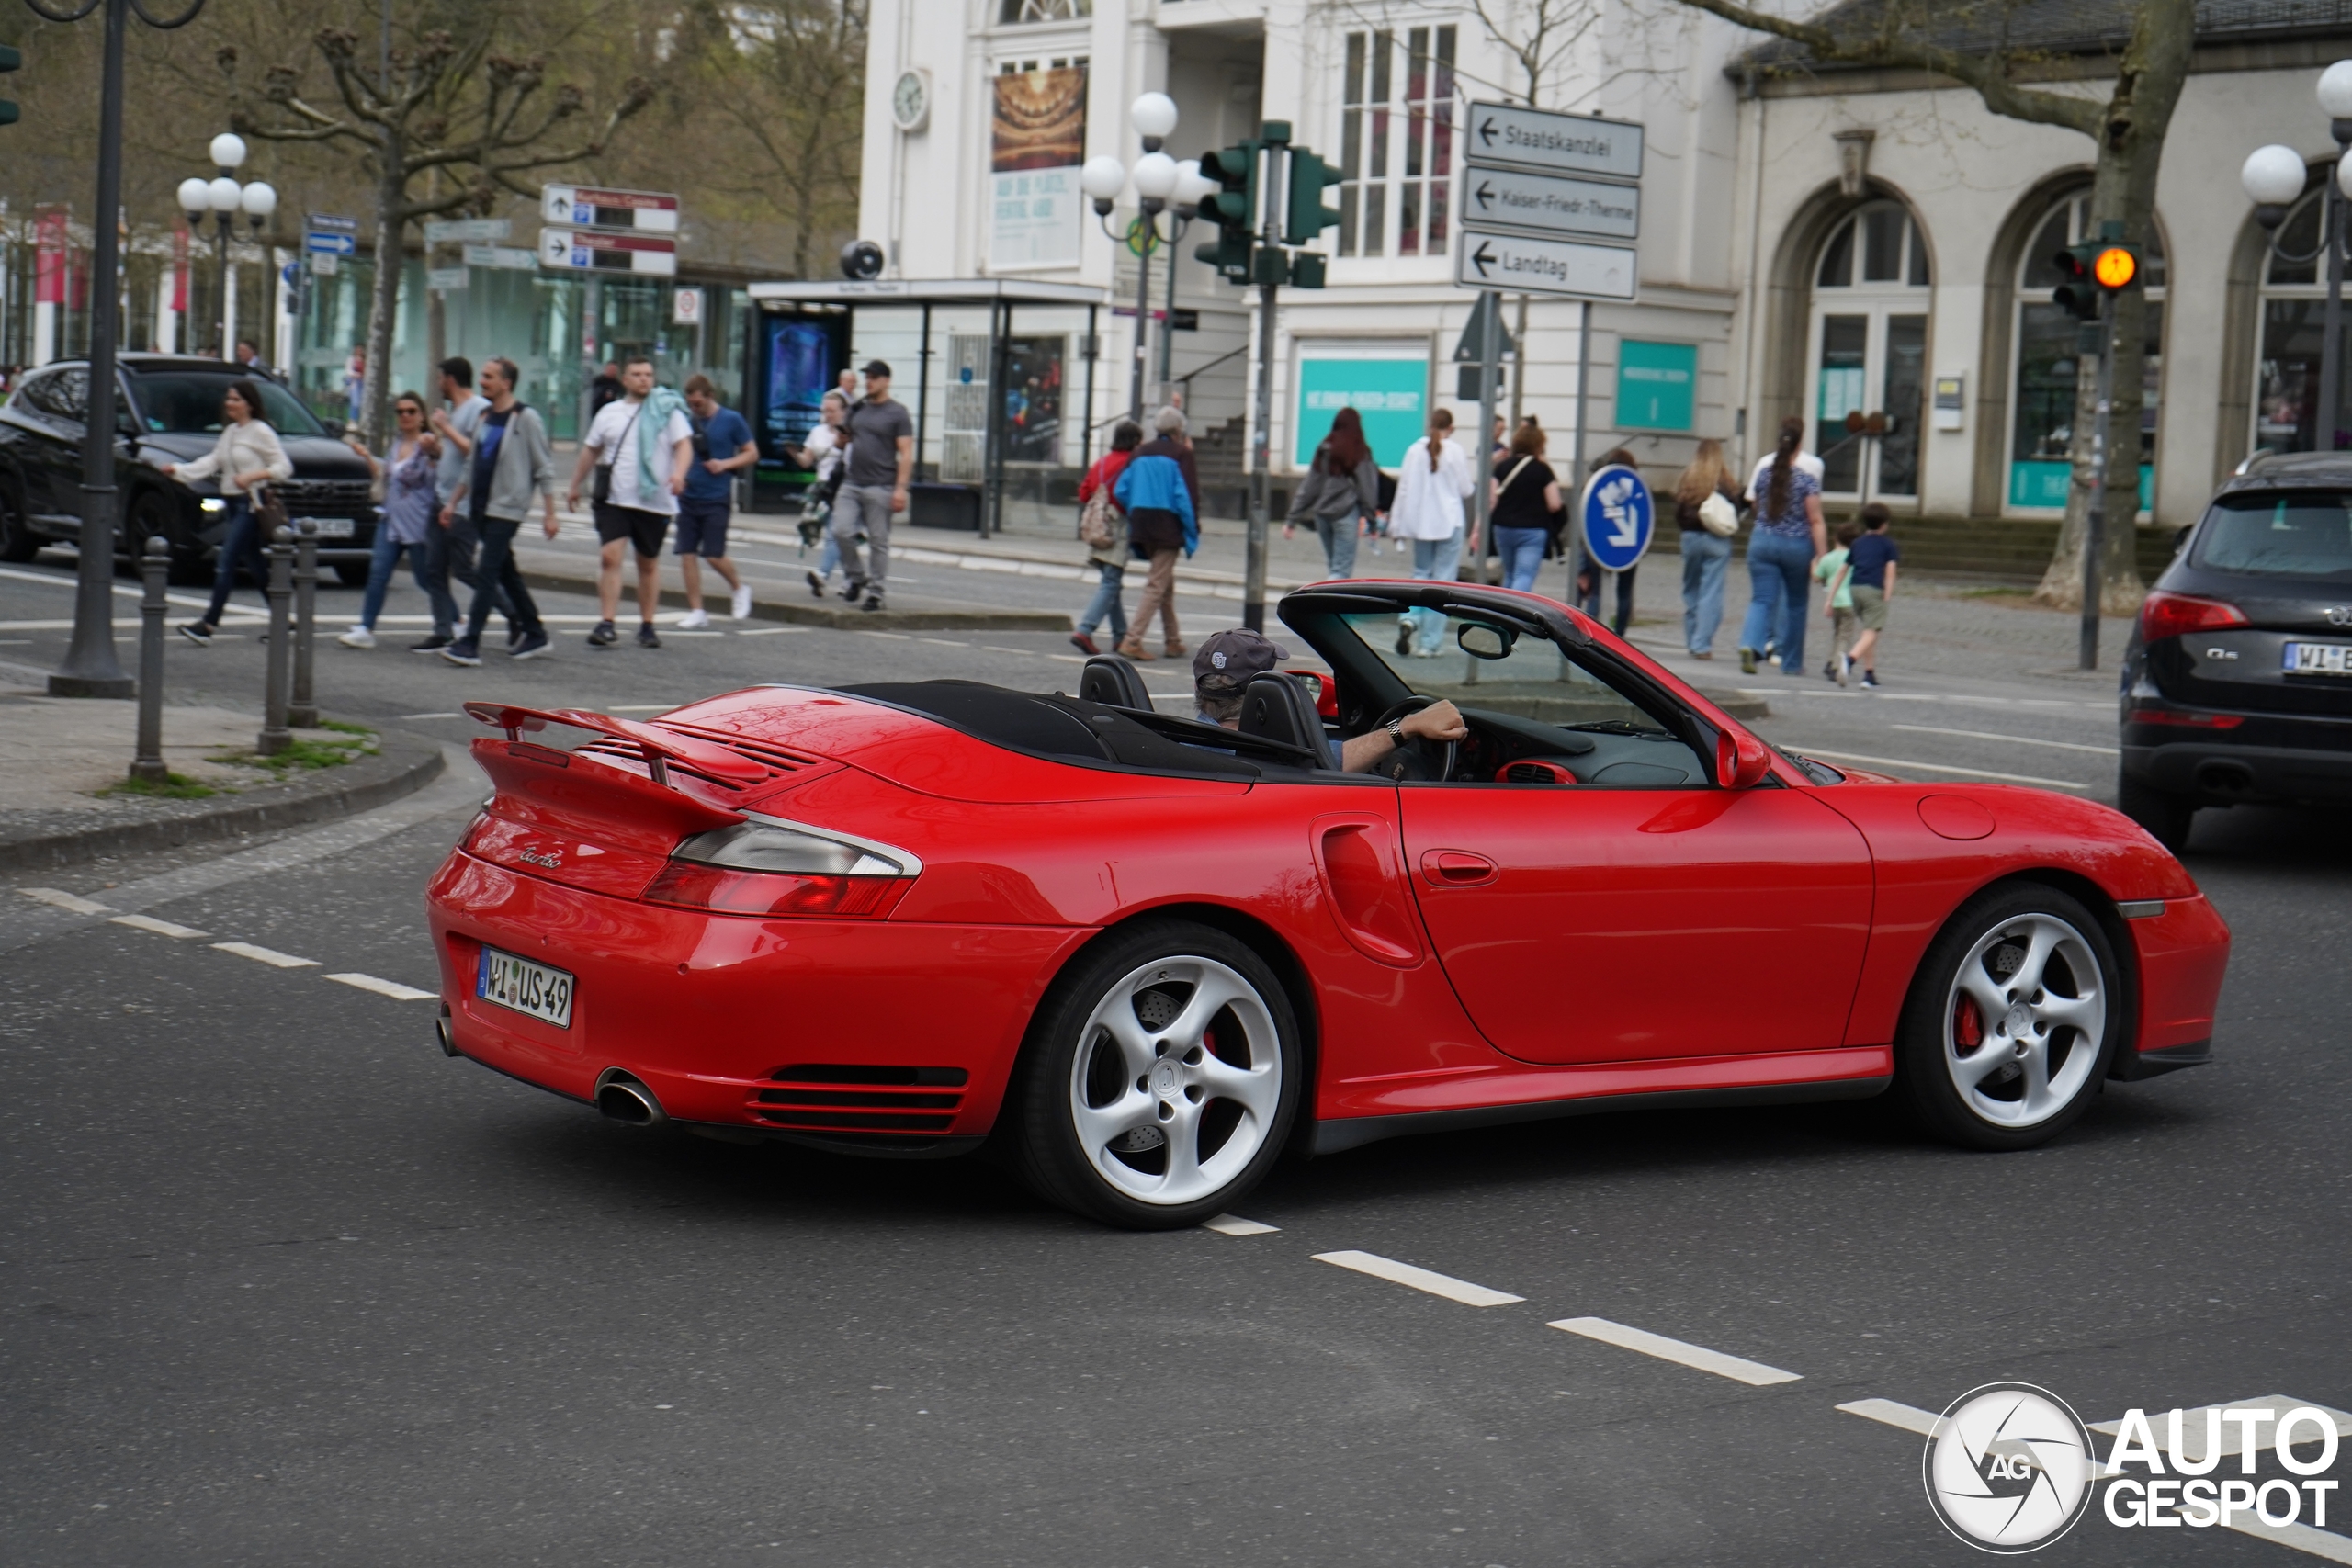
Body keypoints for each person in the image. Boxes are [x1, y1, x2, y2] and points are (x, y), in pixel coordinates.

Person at [1190, 628, 1467, 773]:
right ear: (1258, 695)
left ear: (1198, 686)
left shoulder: (1183, 743)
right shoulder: (1268, 756)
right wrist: (1408, 726)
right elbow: (1334, 761)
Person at [567, 355, 693, 649]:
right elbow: (590, 450)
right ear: (625, 380)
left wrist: (679, 474)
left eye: (648, 374)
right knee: (610, 556)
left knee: (647, 563)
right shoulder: (609, 413)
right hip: (615, 497)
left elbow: (684, 446)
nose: (643, 379)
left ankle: (647, 625)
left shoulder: (667, 411)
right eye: (636, 374)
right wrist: (575, 485)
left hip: (654, 499)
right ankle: (606, 622)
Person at [438, 356, 556, 665]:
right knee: (506, 571)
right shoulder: (485, 417)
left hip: (508, 508)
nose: (483, 381)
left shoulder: (526, 418)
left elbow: (544, 467)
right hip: (481, 507)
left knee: (487, 571)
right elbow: (470, 465)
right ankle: (534, 631)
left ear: (506, 382)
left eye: (489, 376)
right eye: (483, 375)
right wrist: (453, 503)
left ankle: (470, 642)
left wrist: (550, 512)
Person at [168, 380, 292, 645]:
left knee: (226, 561)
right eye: (228, 399)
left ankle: (209, 624)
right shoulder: (231, 433)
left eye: (235, 399)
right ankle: (283, 621)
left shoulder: (261, 431)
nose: (229, 404)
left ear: (249, 403)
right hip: (232, 504)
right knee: (256, 565)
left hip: (250, 504)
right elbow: (213, 461)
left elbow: (283, 467)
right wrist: (179, 471)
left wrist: (253, 476)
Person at [336, 391, 448, 649]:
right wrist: (365, 456)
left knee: (425, 578)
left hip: (417, 522)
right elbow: (388, 475)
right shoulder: (397, 444)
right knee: (378, 573)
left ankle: (454, 620)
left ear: (421, 416)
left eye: (411, 411)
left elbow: (436, 474)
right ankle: (366, 627)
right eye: (400, 412)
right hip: (391, 518)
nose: (405, 416)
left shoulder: (427, 444)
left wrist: (434, 452)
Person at [417, 356, 510, 653]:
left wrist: (445, 427)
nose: (438, 384)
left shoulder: (476, 409)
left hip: (464, 504)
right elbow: (456, 455)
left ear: (450, 379)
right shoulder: (458, 410)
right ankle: (443, 630)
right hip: (441, 498)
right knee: (434, 569)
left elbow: (477, 452)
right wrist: (436, 449)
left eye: (440, 378)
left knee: (464, 569)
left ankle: (515, 613)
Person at [1736, 416, 1829, 676]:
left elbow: (1755, 505)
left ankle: (1750, 644)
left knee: (1761, 599)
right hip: (1796, 545)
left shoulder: (1765, 473)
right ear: (1800, 445)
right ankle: (1791, 662)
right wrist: (1822, 555)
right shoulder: (1806, 479)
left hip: (1762, 541)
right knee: (1796, 603)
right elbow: (1815, 519)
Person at [1114, 406, 1201, 660]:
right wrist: (1192, 527)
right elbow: (1185, 496)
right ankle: (1133, 640)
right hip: (1167, 525)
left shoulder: (1139, 452)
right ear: (1178, 430)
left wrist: (1135, 508)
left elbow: (1121, 489)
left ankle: (1173, 640)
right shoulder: (1181, 454)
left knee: (1163, 582)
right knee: (1156, 585)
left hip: (1141, 521)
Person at [1386, 408, 1475, 656]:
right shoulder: (1454, 450)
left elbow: (1403, 489)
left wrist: (1396, 524)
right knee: (1443, 582)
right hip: (1449, 521)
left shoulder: (1414, 451)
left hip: (1421, 524)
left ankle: (1410, 619)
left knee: (1420, 574)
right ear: (1451, 427)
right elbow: (1466, 489)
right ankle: (1429, 643)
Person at [674, 374, 759, 626]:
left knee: (713, 554)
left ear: (710, 397)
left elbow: (752, 453)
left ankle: (739, 588)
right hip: (689, 495)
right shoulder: (688, 421)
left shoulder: (732, 420)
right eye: (690, 404)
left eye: (698, 403)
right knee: (686, 553)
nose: (694, 408)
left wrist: (725, 464)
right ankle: (697, 611)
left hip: (716, 496)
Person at [833, 358, 913, 613]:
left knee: (878, 540)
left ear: (886, 381)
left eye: (874, 377)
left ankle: (876, 592)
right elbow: (841, 442)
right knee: (841, 530)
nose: (869, 381)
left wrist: (900, 488)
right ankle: (857, 577)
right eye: (867, 377)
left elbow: (906, 452)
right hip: (852, 481)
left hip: (881, 485)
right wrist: (841, 439)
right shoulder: (857, 409)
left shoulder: (897, 413)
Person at [1070, 419, 1142, 656]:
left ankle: (1120, 635)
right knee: (1111, 582)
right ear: (1134, 441)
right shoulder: (1130, 464)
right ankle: (1085, 629)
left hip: (1097, 527)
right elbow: (1130, 496)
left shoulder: (1101, 463)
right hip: (1117, 529)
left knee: (1112, 583)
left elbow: (1083, 493)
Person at [1285, 406, 1380, 580]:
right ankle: (1326, 606)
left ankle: (1331, 603)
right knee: (1340, 571)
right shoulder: (1359, 451)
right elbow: (1367, 489)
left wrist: (1292, 519)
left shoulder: (1324, 449)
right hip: (1346, 514)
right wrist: (1372, 521)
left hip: (1322, 515)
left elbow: (1310, 486)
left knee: (1333, 567)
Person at [1674, 438, 1744, 659]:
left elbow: (1678, 510)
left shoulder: (1688, 479)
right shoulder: (1724, 480)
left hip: (1691, 538)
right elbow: (1736, 508)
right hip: (1716, 540)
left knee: (1691, 589)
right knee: (1711, 591)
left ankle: (1692, 638)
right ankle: (1701, 644)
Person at [1488, 423, 1562, 594]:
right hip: (1533, 530)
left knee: (1509, 574)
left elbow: (1492, 499)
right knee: (1524, 575)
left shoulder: (1502, 467)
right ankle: (1515, 613)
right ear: (1539, 445)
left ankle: (1502, 614)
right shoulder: (1542, 470)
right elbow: (1555, 503)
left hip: (1503, 527)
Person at [1577, 447, 1642, 635]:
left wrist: (1583, 562)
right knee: (1624, 592)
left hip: (1601, 544)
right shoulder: (1635, 487)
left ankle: (1586, 632)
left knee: (1597, 592)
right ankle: (1620, 636)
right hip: (1628, 545)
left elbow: (1589, 521)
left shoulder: (1600, 486)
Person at [796, 391, 850, 597]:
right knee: (835, 533)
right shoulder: (817, 432)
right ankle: (851, 578)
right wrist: (795, 454)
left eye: (832, 411)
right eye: (825, 411)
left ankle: (822, 575)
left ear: (843, 411)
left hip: (843, 487)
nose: (828, 415)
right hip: (823, 488)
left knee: (835, 533)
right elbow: (807, 461)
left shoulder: (848, 433)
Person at [1842, 502, 1900, 688]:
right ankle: (1849, 661)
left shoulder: (1857, 543)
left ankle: (1869, 673)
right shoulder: (1888, 545)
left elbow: (1845, 567)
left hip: (1855, 588)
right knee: (1871, 634)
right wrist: (1888, 594)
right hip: (1874, 589)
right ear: (1884, 524)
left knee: (1869, 630)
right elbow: (1890, 572)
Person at [1815, 520, 1860, 684]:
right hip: (1849, 601)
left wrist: (1813, 563)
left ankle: (1830, 661)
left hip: (1834, 601)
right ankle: (1836, 666)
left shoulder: (1828, 558)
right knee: (1844, 636)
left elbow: (1817, 576)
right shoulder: (1854, 558)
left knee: (1837, 633)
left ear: (1835, 538)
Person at [342, 346, 366, 426]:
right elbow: (348, 370)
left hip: (363, 383)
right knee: (355, 403)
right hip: (354, 383)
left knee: (361, 403)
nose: (359, 352)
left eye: (361, 350)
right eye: (358, 350)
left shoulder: (365, 360)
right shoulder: (351, 359)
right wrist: (355, 374)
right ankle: (352, 420)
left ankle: (360, 421)